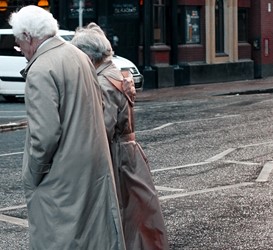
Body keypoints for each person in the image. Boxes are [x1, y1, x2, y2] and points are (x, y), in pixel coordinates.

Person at [9, 6, 125, 250]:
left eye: (19, 43)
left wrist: (33, 175)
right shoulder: (78, 55)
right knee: (92, 238)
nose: (21, 51)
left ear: (29, 36)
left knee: (58, 239)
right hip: (91, 169)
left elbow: (45, 136)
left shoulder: (41, 69)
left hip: (60, 178)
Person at [71, 23, 169, 250]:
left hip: (117, 156)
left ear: (88, 55)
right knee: (136, 214)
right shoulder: (113, 72)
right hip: (127, 153)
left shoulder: (104, 81)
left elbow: (102, 127)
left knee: (123, 213)